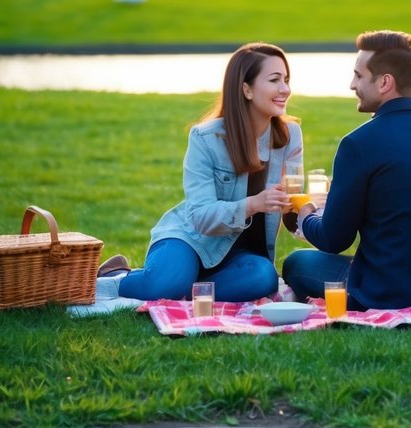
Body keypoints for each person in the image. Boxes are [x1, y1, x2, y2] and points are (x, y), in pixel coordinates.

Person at [282, 30, 411, 310]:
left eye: (359, 76)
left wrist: (306, 216)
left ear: (385, 82)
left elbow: (334, 238)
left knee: (296, 263)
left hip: (387, 292)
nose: (352, 85)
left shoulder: (359, 144)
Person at [98, 43, 302, 304]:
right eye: (275, 80)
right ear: (246, 89)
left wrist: (308, 208)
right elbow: (201, 217)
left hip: (241, 256)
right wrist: (254, 204)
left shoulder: (290, 136)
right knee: (164, 285)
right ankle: (117, 275)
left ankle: (185, 288)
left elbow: (292, 204)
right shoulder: (206, 138)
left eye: (286, 80)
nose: (285, 89)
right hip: (192, 240)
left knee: (264, 278)